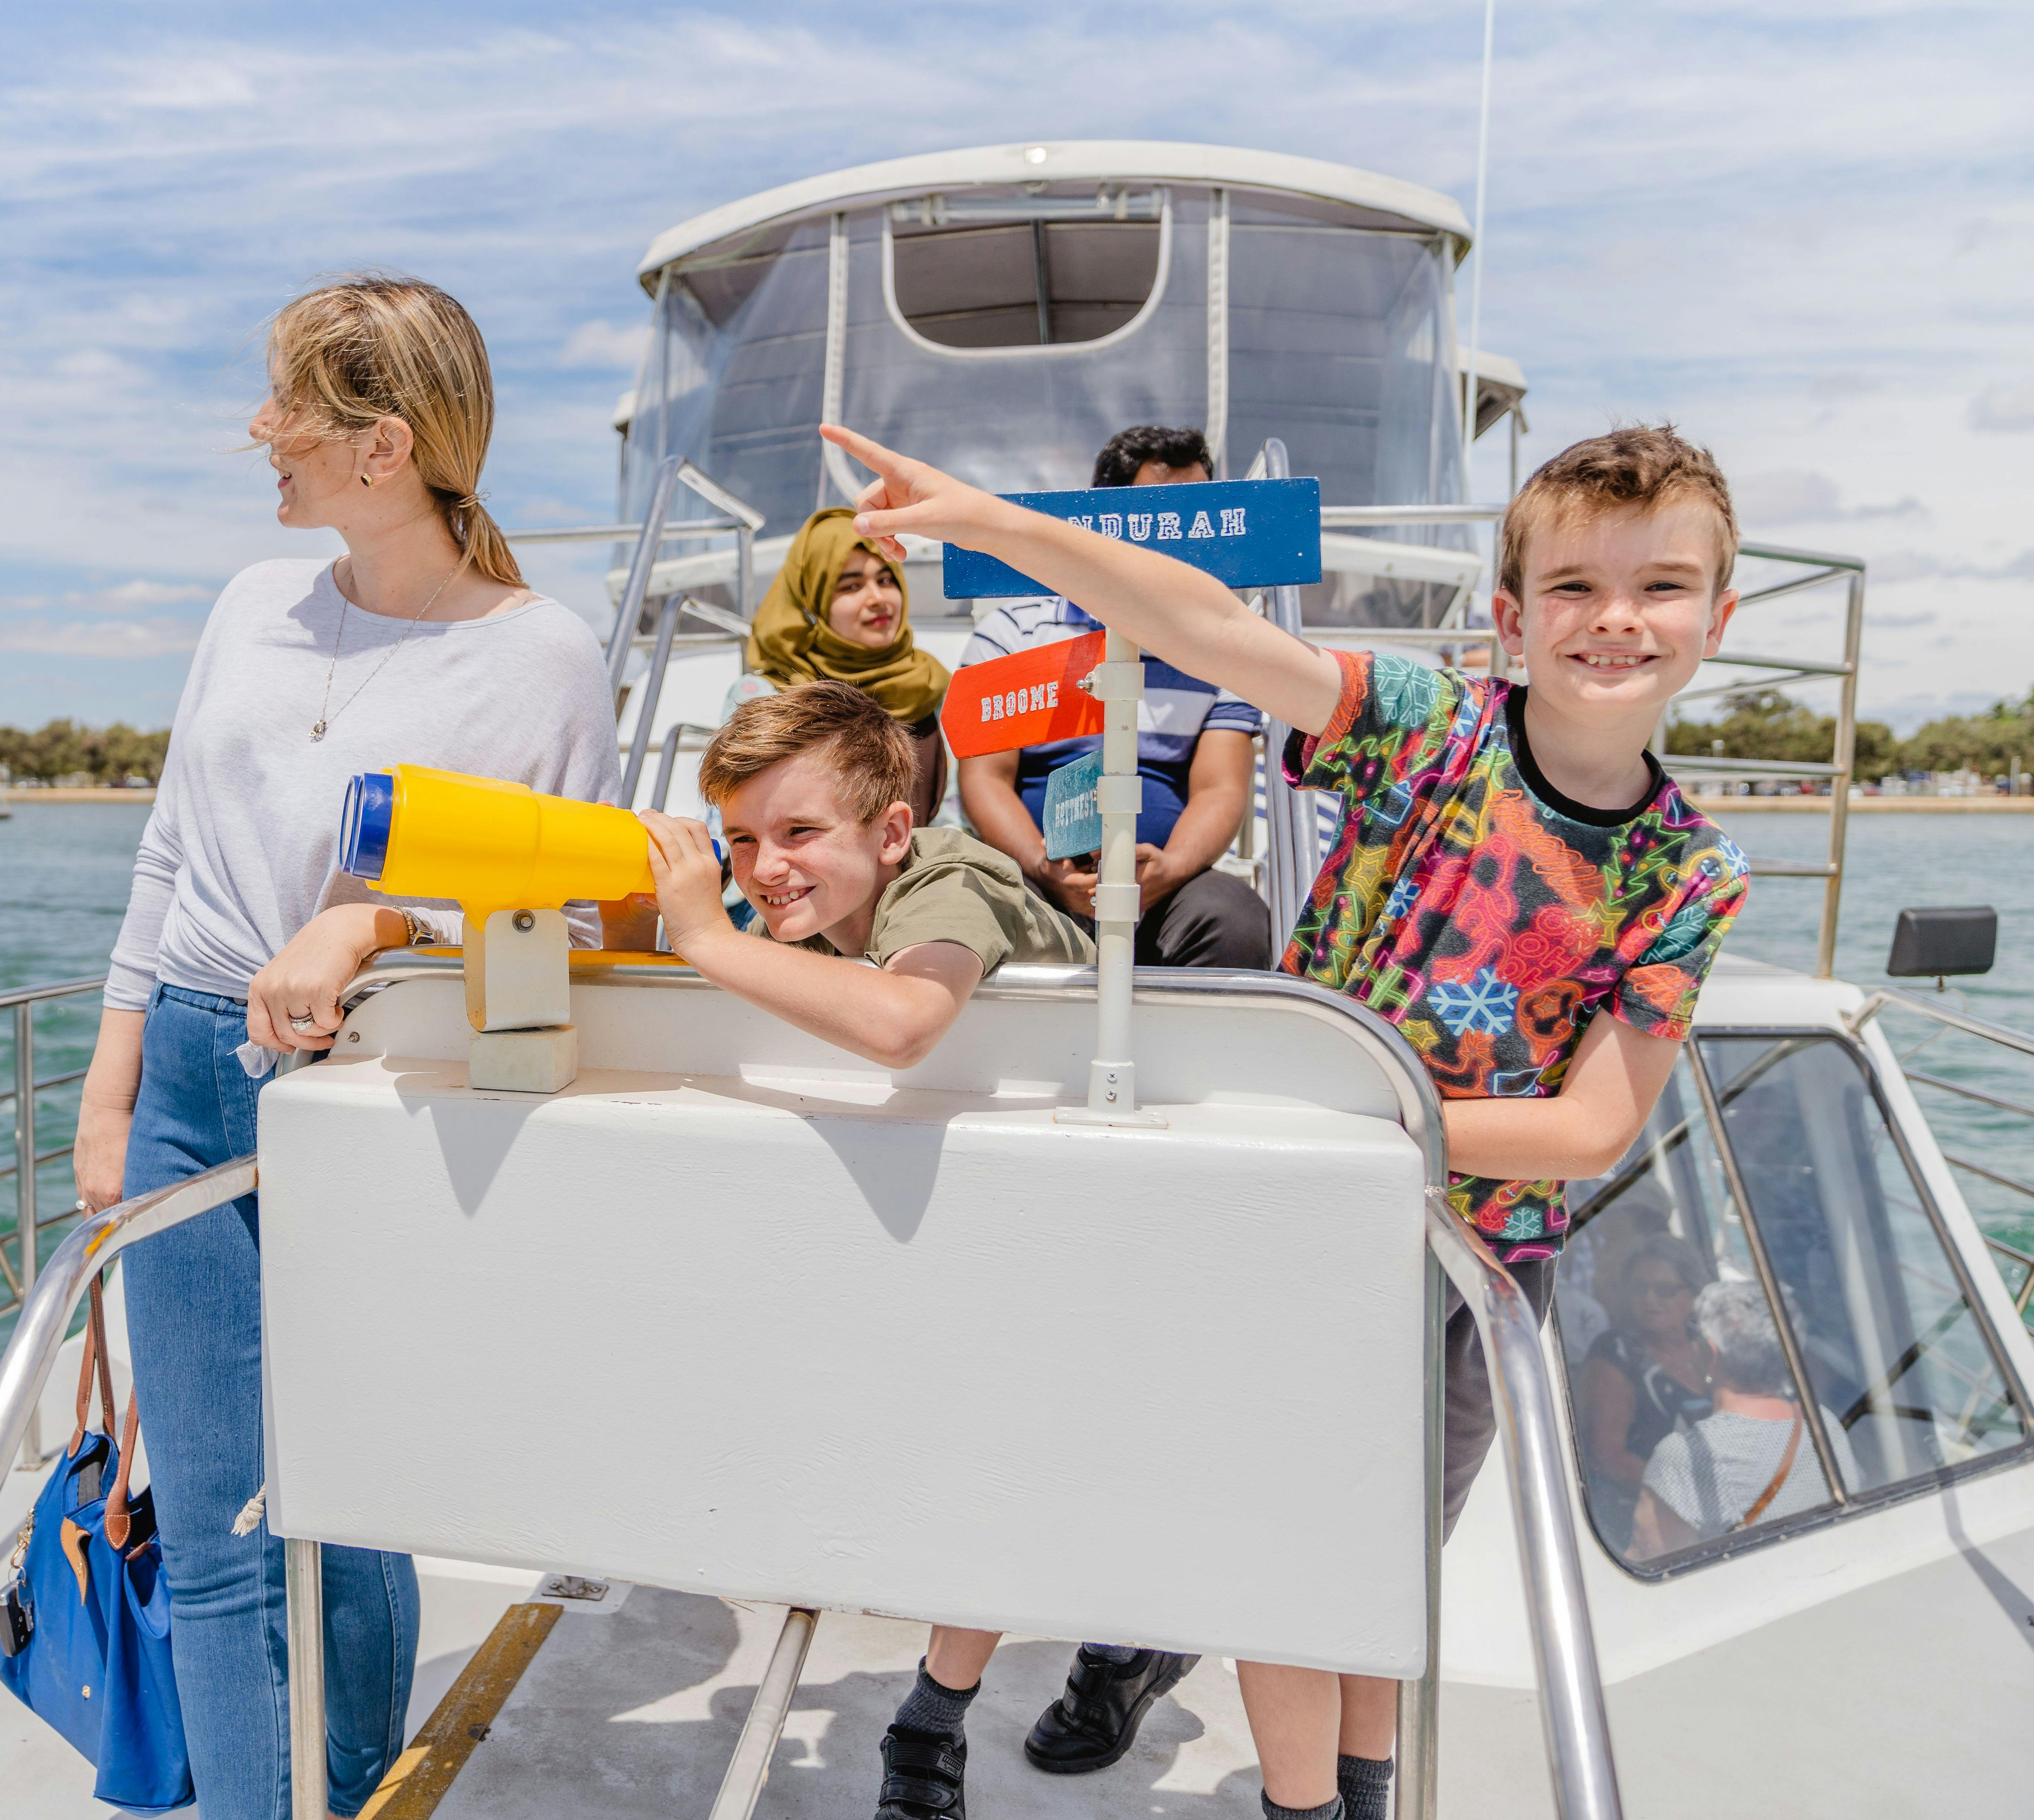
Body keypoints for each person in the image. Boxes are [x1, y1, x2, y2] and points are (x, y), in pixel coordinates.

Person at [820, 417, 1752, 1820]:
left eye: (1659, 586)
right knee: (1278, 1553)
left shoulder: (1689, 869)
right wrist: (998, 524)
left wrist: (1347, 1102)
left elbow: (1584, 1134)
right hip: (1311, 1226)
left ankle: (1359, 1793)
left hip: (1479, 1264)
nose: (1613, 620)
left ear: (1716, 616)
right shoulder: (1429, 730)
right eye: (1571, 587)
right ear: (1506, 615)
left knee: (1377, 1568)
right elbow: (1199, 621)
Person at [76, 274, 620, 1820]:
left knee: (359, 1490)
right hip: (189, 1074)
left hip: (387, 1092)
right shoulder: (251, 604)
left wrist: (371, 925)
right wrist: (108, 1089)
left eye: (285, 407)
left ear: (380, 444)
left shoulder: (539, 658)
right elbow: (168, 855)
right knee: (219, 1522)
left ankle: (365, 1787)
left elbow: (568, 931)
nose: (259, 432)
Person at [635, 681, 1109, 1820]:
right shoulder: (798, 919)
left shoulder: (948, 877)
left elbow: (903, 1024)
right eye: (740, 840)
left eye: (799, 833)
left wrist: (702, 933)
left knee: (1016, 1462)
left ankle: (938, 1716)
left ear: (891, 831)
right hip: (966, 1207)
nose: (762, 868)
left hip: (1079, 1210)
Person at [957, 426, 1271, 969]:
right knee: (972, 910)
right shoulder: (1013, 634)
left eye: (1198, 511)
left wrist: (1170, 868)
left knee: (1237, 923)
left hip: (1167, 885)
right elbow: (986, 778)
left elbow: (1221, 787)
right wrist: (1043, 865)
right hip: (1035, 872)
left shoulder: (1222, 648)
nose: (1184, 531)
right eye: (1161, 511)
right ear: (1103, 520)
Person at [730, 507, 953, 826]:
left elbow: (955, 821)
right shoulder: (766, 696)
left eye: (886, 579)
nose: (878, 598)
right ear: (813, 602)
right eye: (851, 586)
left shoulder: (932, 687)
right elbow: (738, 827)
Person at [1634, 1281, 1856, 1556]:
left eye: (1693, 1331)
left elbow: (1653, 1562)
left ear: (1711, 1354)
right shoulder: (1826, 1424)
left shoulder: (1685, 1456)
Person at [1575, 1232, 1715, 1542]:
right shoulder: (1616, 1355)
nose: (1650, 1301)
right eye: (1640, 1289)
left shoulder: (1710, 1346)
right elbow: (1607, 1458)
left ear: (1693, 1295)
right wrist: (1697, 1495)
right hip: (1648, 1524)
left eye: (1664, 1291)